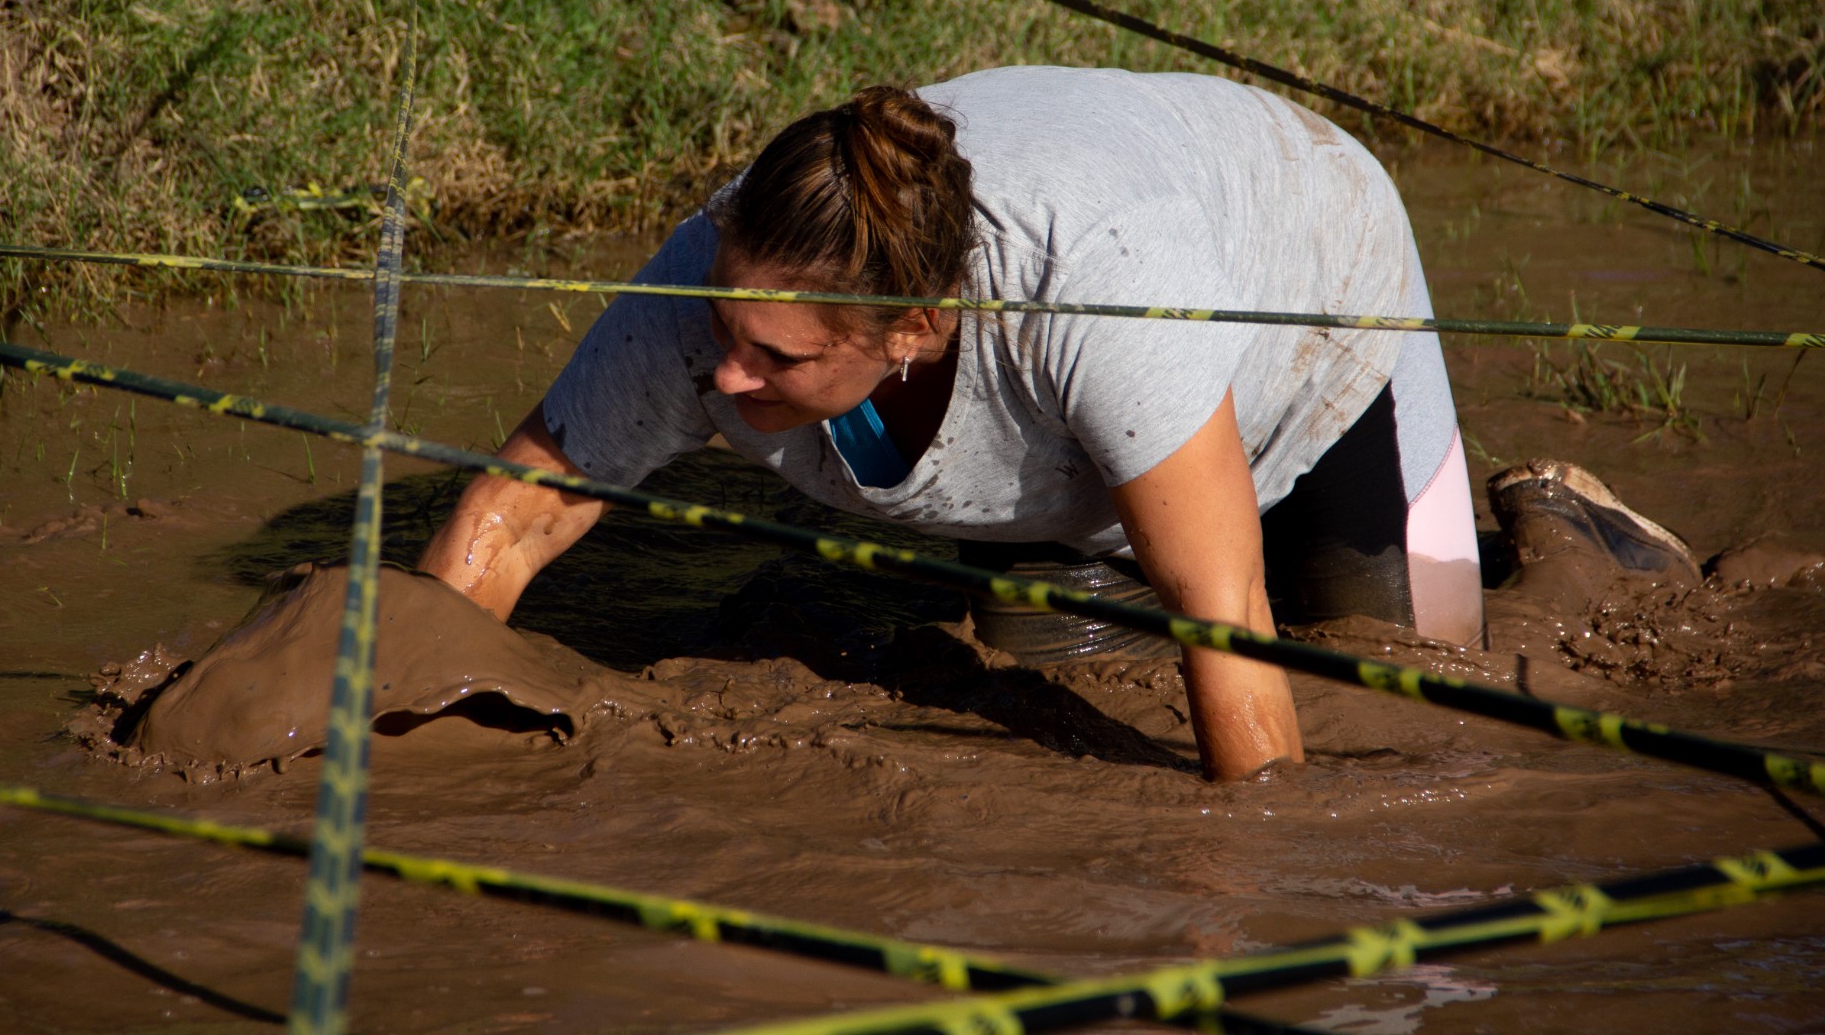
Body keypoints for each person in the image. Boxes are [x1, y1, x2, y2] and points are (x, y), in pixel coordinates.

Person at [418, 67, 1490, 781]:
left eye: (780, 359)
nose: (727, 377)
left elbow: (1220, 606)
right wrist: (394, 724)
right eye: (725, 330)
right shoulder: (709, 293)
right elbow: (514, 520)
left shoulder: (1096, 279)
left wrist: (1255, 888)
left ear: (913, 328)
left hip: (1314, 304)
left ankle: (1580, 531)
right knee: (1059, 700)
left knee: (1425, 699)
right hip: (1073, 443)